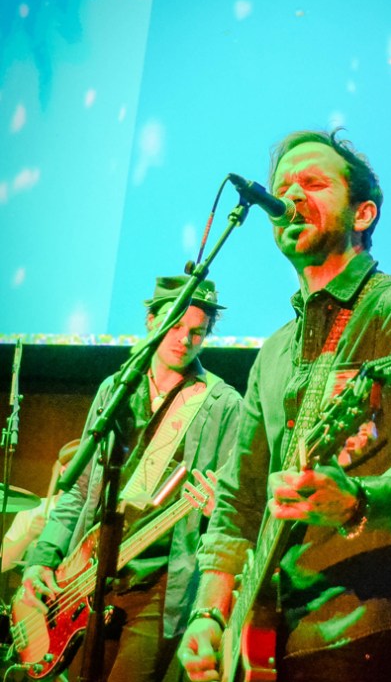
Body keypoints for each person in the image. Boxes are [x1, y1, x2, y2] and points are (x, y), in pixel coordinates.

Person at [178, 129, 391, 682]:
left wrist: (356, 500)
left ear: (363, 213)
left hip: (360, 624)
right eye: (284, 185)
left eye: (313, 183)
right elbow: (239, 502)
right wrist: (210, 613)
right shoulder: (274, 352)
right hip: (266, 632)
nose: (290, 195)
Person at [19, 276, 242, 682]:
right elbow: (81, 490)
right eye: (175, 326)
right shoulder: (115, 390)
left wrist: (218, 507)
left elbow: (236, 507)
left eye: (197, 332)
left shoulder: (223, 404)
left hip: (160, 585)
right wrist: (43, 557)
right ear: (151, 321)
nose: (184, 340)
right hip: (89, 577)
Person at [1, 439, 79, 573]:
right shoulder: (34, 510)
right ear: (63, 471)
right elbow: (3, 563)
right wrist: (28, 536)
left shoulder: (91, 514)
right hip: (34, 585)